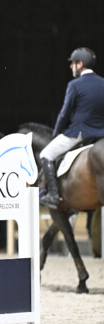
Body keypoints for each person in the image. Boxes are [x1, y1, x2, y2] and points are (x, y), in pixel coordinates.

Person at [39, 47, 104, 209]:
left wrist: (55, 134)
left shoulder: (74, 85)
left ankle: (53, 195)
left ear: (80, 64)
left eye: (73, 64)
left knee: (46, 153)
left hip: (80, 132)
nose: (71, 67)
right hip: (101, 133)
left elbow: (64, 114)